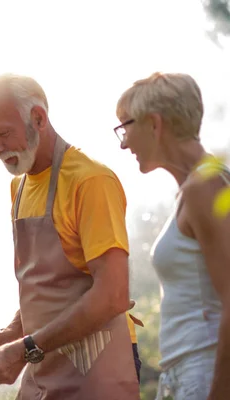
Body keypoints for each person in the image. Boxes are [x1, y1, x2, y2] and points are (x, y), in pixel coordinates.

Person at [0, 74, 140, 399]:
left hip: (98, 369)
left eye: (2, 133)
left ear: (39, 118)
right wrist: (12, 333)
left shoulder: (91, 181)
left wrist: (25, 348)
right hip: (42, 366)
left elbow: (113, 294)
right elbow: (47, 285)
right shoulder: (18, 187)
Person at [115, 72, 230, 400]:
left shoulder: (205, 187)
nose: (123, 142)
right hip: (188, 373)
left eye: (126, 125)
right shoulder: (197, 187)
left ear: (154, 124)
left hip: (205, 374)